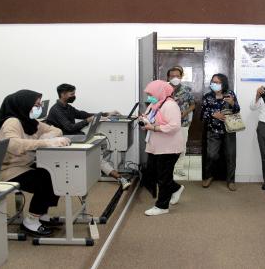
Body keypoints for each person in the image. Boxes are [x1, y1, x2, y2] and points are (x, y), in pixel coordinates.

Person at [0, 89, 71, 237]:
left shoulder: (31, 122)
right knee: (45, 179)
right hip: (8, 169)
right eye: (36, 104)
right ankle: (31, 221)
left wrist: (49, 136)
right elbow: (13, 144)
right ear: (24, 104)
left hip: (24, 165)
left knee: (56, 171)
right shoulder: (12, 121)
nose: (39, 107)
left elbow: (57, 130)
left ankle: (40, 214)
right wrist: (45, 143)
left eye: (40, 104)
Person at [47, 83, 131, 190]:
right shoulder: (56, 110)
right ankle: (120, 178)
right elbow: (70, 128)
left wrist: (106, 114)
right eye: (71, 94)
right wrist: (87, 121)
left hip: (74, 137)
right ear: (63, 94)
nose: (74, 96)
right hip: (65, 140)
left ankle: (112, 174)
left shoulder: (67, 107)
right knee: (96, 155)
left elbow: (84, 114)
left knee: (100, 145)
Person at [139, 80, 184, 216]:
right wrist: (143, 119)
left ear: (160, 92)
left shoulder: (170, 105)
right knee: (154, 173)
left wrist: (153, 127)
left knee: (163, 177)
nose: (149, 97)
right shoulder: (155, 103)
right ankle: (176, 188)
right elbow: (148, 118)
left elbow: (174, 126)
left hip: (169, 147)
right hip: (156, 146)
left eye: (151, 93)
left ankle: (162, 206)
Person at [201, 73, 240, 191]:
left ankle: (231, 181)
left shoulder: (230, 94)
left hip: (229, 129)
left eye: (217, 82)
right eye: (213, 82)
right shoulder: (207, 97)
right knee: (211, 155)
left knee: (230, 156)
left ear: (223, 83)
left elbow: (237, 109)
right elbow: (202, 115)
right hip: (213, 130)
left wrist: (233, 103)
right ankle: (208, 176)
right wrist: (214, 114)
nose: (215, 84)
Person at [167, 66, 195, 177]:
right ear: (168, 77)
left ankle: (179, 168)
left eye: (177, 76)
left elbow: (193, 105)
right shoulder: (164, 89)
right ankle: (169, 168)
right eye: (172, 76)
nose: (175, 78)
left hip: (183, 122)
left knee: (181, 146)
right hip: (167, 124)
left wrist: (186, 112)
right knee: (168, 147)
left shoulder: (187, 89)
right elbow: (154, 102)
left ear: (181, 77)